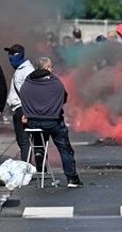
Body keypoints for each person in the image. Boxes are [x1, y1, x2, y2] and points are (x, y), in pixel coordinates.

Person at [18, 57, 82, 188]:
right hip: (52, 122)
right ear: (47, 68)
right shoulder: (55, 82)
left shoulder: (27, 82)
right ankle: (72, 178)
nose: (52, 69)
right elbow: (63, 98)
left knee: (39, 140)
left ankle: (39, 154)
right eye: (51, 67)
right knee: (65, 149)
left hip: (33, 122)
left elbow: (22, 97)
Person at [5, 44, 35, 159]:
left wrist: (27, 113)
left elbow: (31, 93)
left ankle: (25, 168)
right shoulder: (20, 69)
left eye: (13, 54)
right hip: (18, 109)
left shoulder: (27, 70)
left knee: (24, 141)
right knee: (21, 141)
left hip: (23, 109)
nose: (10, 56)